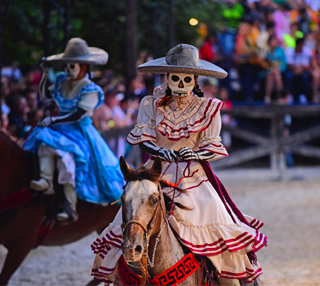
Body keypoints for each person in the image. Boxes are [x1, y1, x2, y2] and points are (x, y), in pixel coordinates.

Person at [91, 44, 267, 285]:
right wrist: (161, 151)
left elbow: (213, 145)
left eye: (187, 78)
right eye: (176, 78)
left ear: (195, 79)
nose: (181, 84)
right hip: (155, 172)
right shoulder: (149, 104)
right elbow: (143, 139)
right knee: (129, 217)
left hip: (193, 178)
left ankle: (231, 281)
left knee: (218, 228)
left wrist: (193, 155)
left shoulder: (208, 108)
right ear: (167, 77)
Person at [24, 38, 125, 222]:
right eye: (66, 66)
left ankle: (70, 206)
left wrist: (53, 119)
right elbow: (44, 97)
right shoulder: (62, 80)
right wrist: (45, 74)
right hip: (59, 128)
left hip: (79, 132)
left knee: (67, 159)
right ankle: (46, 180)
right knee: (43, 141)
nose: (68, 70)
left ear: (84, 67)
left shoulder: (90, 89)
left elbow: (78, 115)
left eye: (72, 66)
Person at [285, 38, 311, 104]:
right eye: (300, 45)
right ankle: (289, 95)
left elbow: (307, 65)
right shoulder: (289, 50)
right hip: (292, 70)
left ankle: (302, 95)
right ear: (296, 45)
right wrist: (296, 69)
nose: (301, 47)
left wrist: (300, 69)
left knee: (305, 77)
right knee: (289, 76)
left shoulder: (306, 51)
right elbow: (288, 64)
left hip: (302, 70)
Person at [264, 35, 287, 104]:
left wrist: (279, 69)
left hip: (278, 70)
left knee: (276, 75)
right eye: (273, 41)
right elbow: (265, 63)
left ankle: (279, 96)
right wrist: (270, 69)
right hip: (268, 70)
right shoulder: (266, 51)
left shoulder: (280, 50)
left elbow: (284, 62)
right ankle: (268, 96)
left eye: (275, 41)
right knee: (271, 75)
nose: (274, 42)